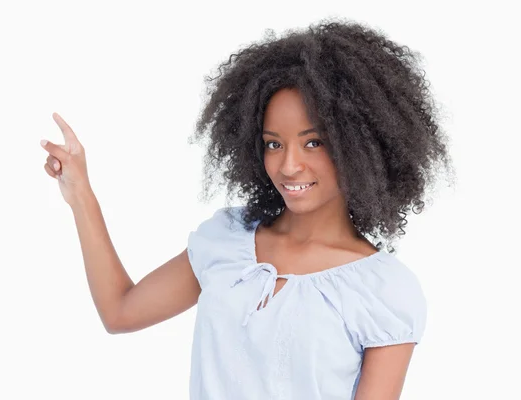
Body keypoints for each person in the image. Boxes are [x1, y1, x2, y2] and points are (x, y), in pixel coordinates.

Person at [40, 18, 454, 400]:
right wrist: (81, 195)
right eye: (274, 143)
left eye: (314, 142)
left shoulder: (383, 292)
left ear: (362, 145)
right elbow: (120, 311)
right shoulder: (228, 241)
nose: (289, 165)